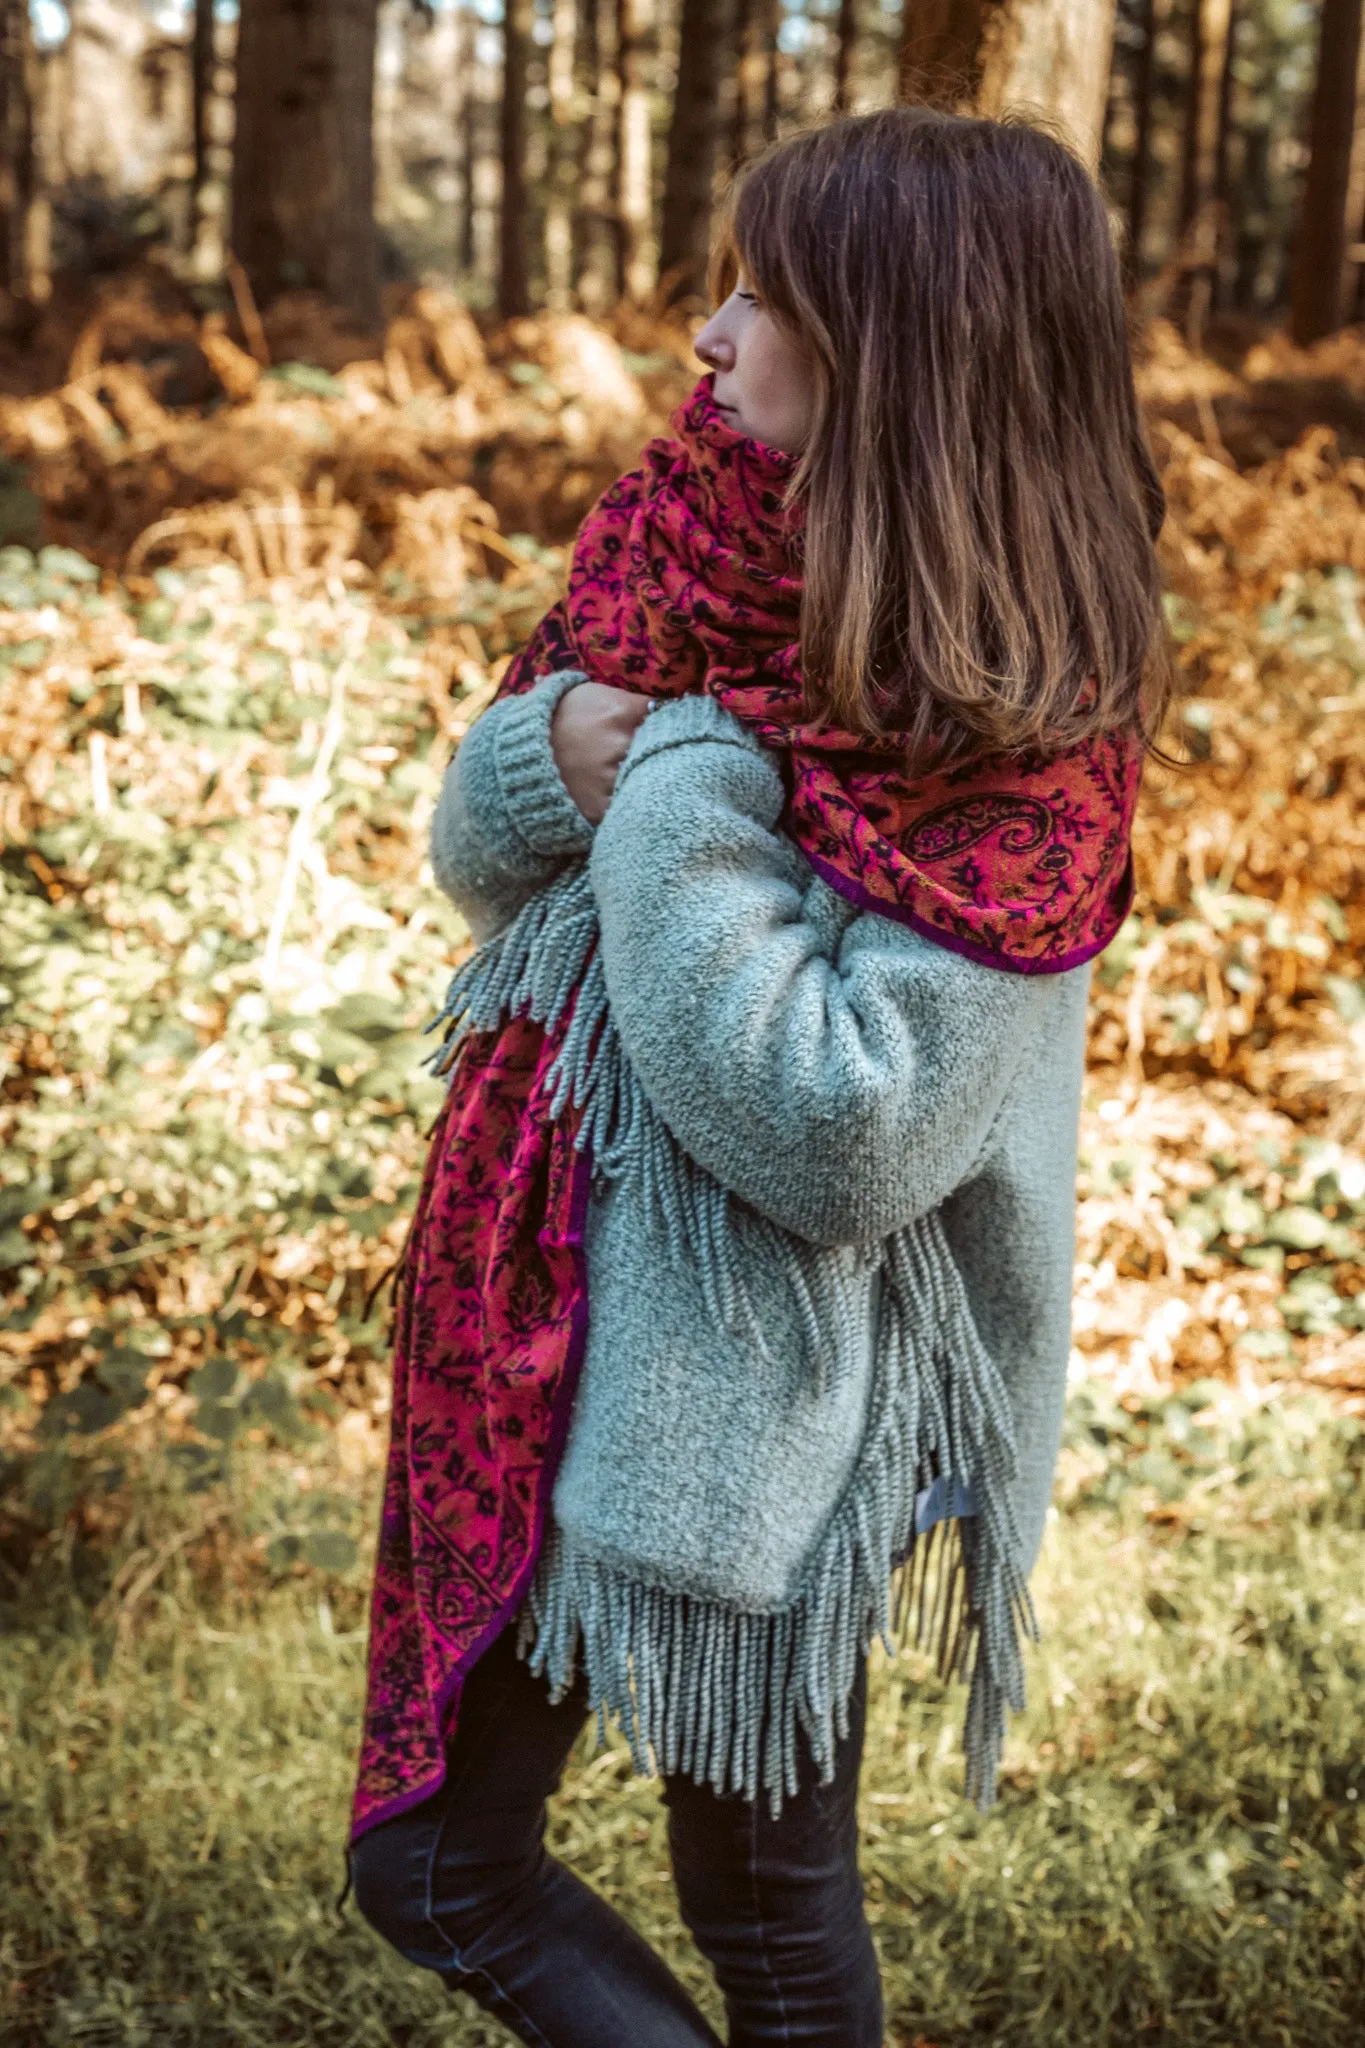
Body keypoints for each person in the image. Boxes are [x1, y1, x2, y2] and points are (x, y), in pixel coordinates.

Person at [347, 106, 1168, 2047]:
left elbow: (848, 1119)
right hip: (559, 1333)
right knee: (494, 1870)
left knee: (740, 1903)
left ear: (898, 345)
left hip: (776, 1421)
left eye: (761, 297)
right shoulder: (692, 538)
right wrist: (563, 745)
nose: (705, 341)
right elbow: (481, 841)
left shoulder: (1012, 714)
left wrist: (686, 784)